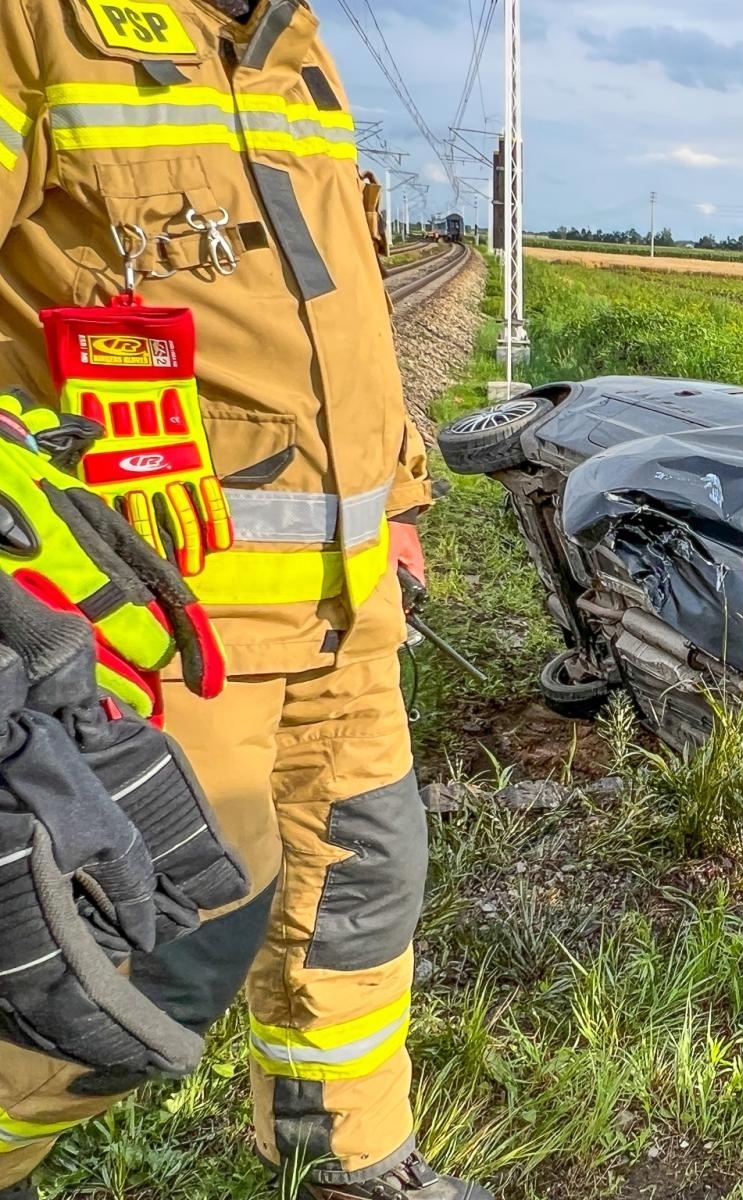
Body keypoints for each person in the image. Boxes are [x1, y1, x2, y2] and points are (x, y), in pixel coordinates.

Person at [0, 3, 486, 1198]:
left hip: (344, 617)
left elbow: (338, 309)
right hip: (154, 627)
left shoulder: (289, 36)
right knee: (136, 956)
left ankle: (352, 1162)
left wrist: (404, 504)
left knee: (362, 888)